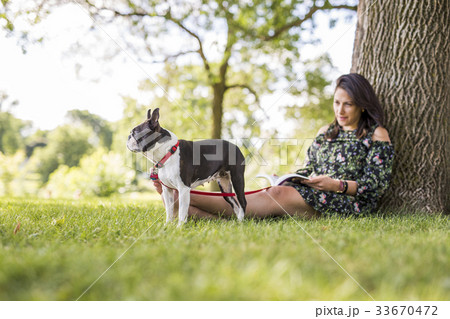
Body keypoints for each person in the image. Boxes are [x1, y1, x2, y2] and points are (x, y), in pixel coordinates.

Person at [153, 73, 394, 219]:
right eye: (336, 102)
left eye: (348, 104)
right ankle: (190, 208)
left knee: (276, 194)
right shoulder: (326, 132)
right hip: (314, 193)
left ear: (362, 105)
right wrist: (293, 177)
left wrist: (338, 185)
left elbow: (376, 187)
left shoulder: (376, 135)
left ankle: (185, 196)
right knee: (272, 190)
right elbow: (309, 168)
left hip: (346, 201)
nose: (340, 110)